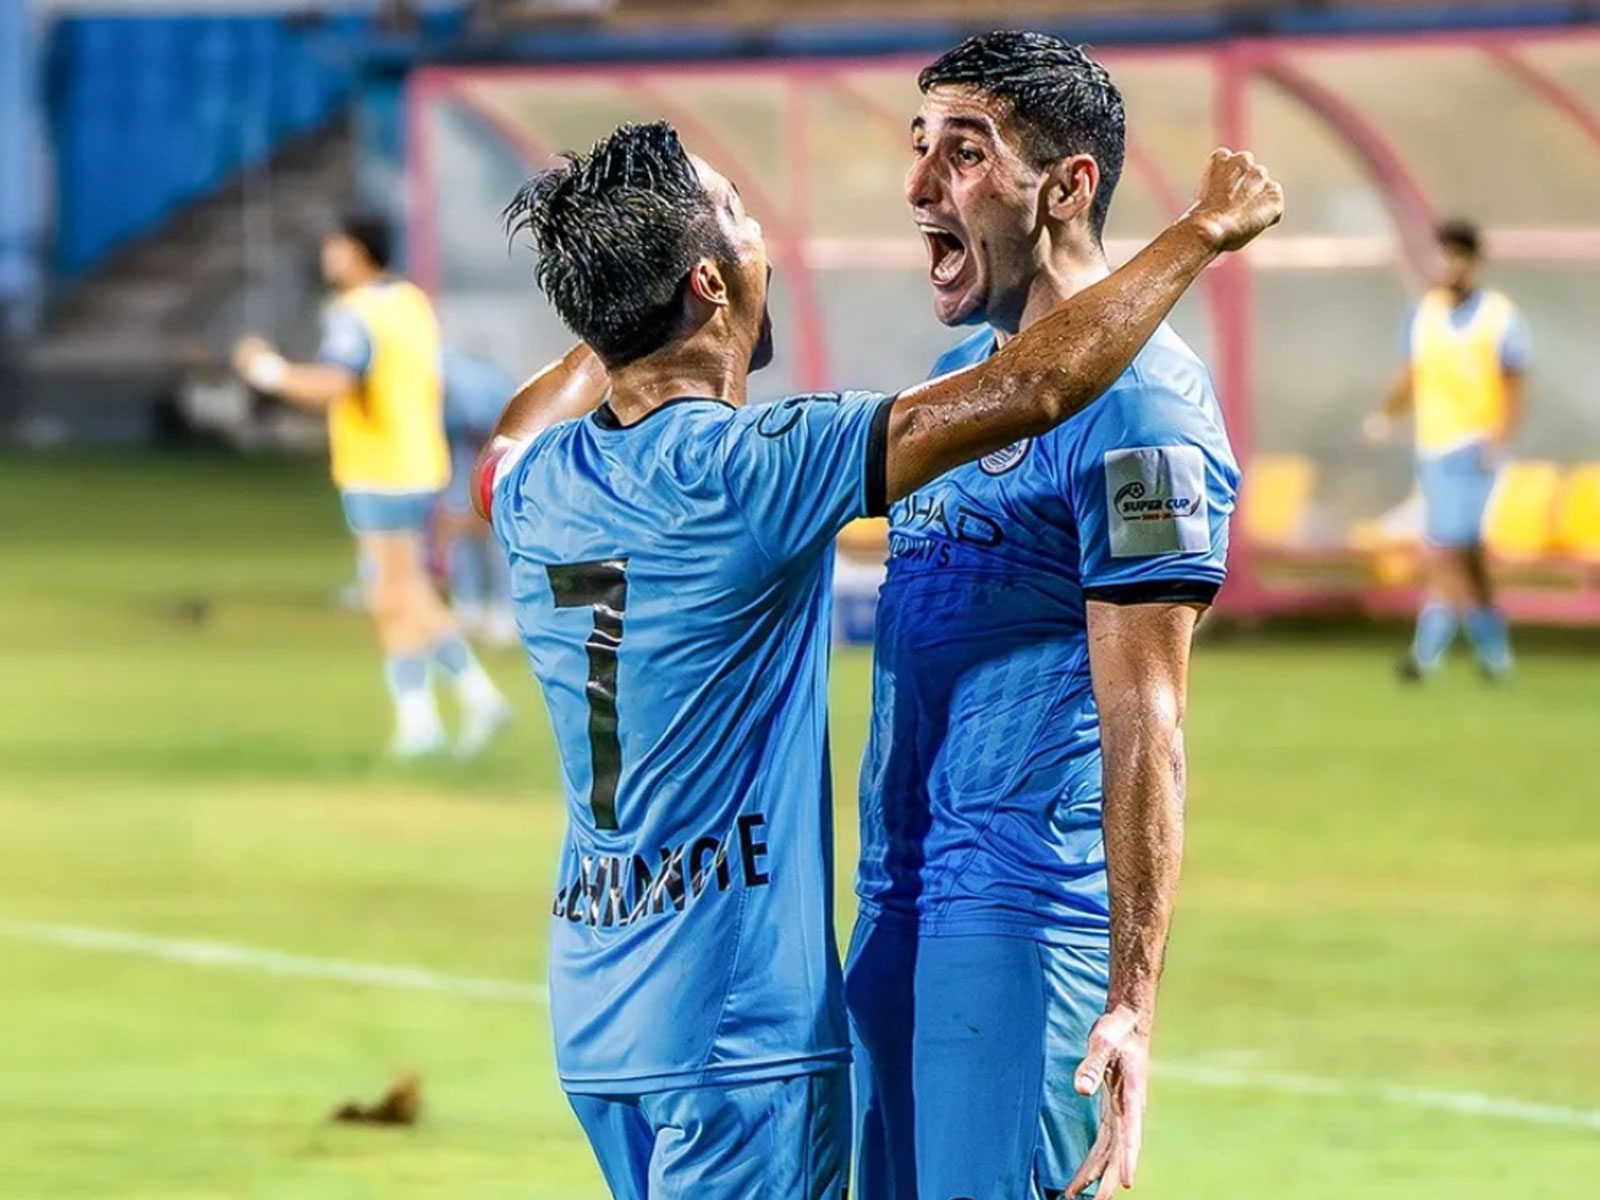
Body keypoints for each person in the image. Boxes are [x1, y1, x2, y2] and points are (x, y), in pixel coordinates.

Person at [473, 119, 1280, 1198]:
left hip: (598, 1011)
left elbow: (512, 433)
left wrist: (614, 304)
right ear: (709, 282)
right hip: (739, 1030)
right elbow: (1031, 392)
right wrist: (1198, 233)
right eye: (740, 218)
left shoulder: (537, 487)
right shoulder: (752, 469)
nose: (762, 236)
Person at [843, 33, 1244, 1200]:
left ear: (1067, 186)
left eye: (963, 155)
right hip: (894, 903)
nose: (920, 186)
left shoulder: (1147, 412)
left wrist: (1130, 1002)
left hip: (1021, 924)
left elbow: (1148, 715)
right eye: (919, 150)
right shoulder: (963, 384)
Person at [232, 214, 512, 758]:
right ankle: (468, 701)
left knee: (391, 595)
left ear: (357, 251)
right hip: (419, 461)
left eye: (335, 245)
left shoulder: (354, 315)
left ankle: (425, 718)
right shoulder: (410, 303)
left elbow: (335, 382)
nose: (327, 256)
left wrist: (266, 371)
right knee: (408, 590)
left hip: (378, 468)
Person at [1364, 219, 1529, 682]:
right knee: (1458, 550)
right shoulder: (1425, 314)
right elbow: (1411, 375)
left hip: (1477, 449)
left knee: (1453, 547)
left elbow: (1515, 383)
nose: (1449, 264)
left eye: (1457, 255)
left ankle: (1427, 654)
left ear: (1473, 261)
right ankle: (1493, 656)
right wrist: (1384, 416)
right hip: (1434, 448)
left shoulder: (1499, 316)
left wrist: (1500, 437)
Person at [439, 347, 519, 645]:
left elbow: (491, 432)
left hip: (503, 445)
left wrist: (477, 505)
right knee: (460, 523)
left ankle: (505, 613)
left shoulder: (467, 386)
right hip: (463, 448)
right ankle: (467, 607)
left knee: (497, 530)